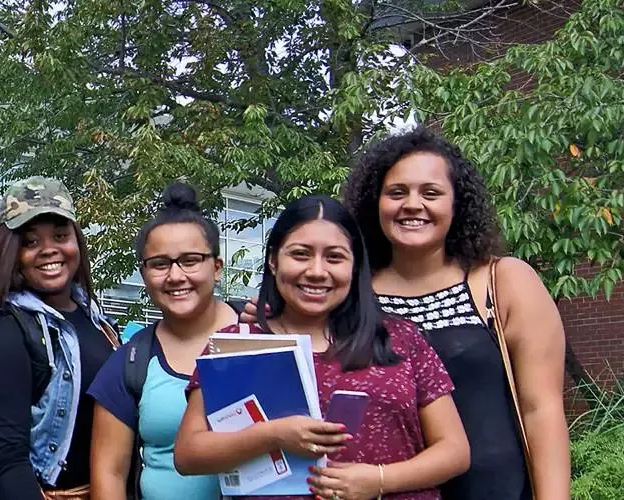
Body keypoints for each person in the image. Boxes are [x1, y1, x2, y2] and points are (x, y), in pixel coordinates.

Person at [244, 128, 572, 499]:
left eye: (431, 193)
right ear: (374, 202)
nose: (412, 204)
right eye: (397, 192)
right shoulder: (347, 294)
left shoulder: (501, 282)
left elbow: (541, 409)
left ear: (457, 204)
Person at [175, 195, 471, 500]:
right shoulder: (235, 344)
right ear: (274, 261)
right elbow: (188, 454)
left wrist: (379, 479)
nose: (317, 271)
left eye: (334, 257)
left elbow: (454, 450)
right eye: (300, 254)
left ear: (355, 266)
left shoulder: (400, 338)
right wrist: (272, 435)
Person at [0, 177, 119, 500]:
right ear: (12, 253)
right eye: (31, 242)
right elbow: (6, 460)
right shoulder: (7, 330)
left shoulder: (98, 322)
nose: (49, 250)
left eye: (60, 235)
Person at [86, 183, 229, 500]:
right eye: (160, 264)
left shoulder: (261, 336)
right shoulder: (131, 362)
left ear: (216, 267)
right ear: (144, 272)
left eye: (190, 260)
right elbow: (109, 473)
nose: (176, 276)